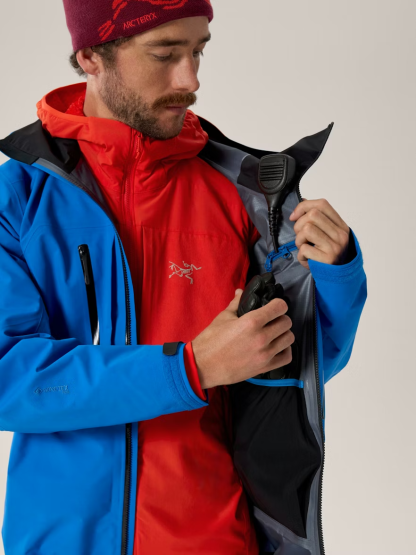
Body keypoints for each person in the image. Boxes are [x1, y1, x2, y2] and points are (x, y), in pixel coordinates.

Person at [0, 1, 367, 554]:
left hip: (213, 538)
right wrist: (190, 369)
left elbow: (299, 373)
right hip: (61, 541)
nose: (190, 80)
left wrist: (337, 274)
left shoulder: (244, 196)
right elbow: (9, 379)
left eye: (198, 52)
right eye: (165, 54)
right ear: (91, 56)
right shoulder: (18, 199)